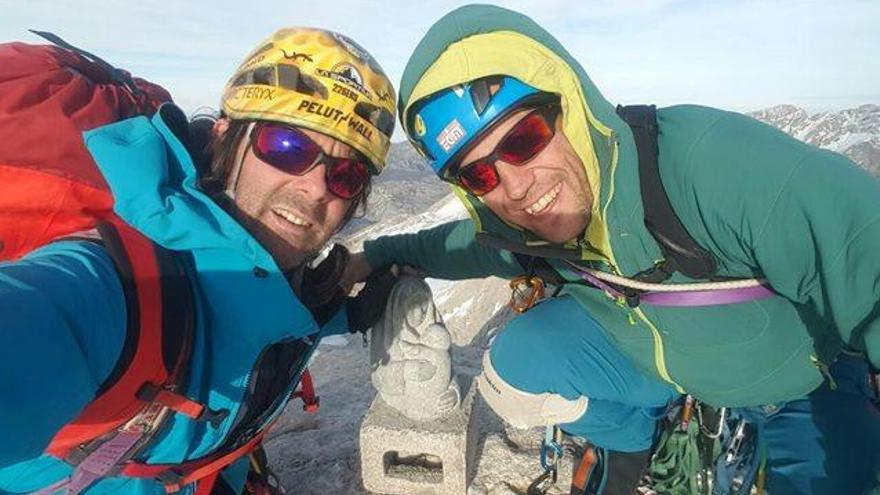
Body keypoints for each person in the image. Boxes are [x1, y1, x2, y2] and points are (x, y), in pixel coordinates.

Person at [344, 5, 880, 494]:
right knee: (512, 377)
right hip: (669, 373)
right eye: (480, 174)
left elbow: (865, 253)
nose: (515, 186)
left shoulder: (708, 165)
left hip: (804, 382)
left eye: (524, 139)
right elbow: (462, 244)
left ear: (570, 105)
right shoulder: (535, 231)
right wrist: (367, 258)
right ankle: (632, 440)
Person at [0, 27, 397, 494]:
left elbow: (242, 312)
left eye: (346, 175)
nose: (316, 188)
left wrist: (349, 311)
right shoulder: (112, 289)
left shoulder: (275, 269)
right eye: (287, 147)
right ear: (227, 139)